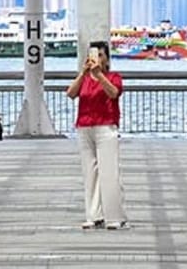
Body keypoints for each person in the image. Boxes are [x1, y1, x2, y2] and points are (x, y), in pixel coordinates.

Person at [68, 40, 126, 231]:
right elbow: (71, 93)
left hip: (105, 126)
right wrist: (83, 73)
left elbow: (113, 93)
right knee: (90, 173)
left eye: (100, 55)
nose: (96, 59)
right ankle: (93, 215)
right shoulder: (84, 79)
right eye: (93, 55)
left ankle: (114, 216)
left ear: (107, 59)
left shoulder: (113, 77)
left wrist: (99, 75)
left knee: (109, 172)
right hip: (85, 126)